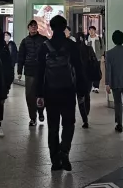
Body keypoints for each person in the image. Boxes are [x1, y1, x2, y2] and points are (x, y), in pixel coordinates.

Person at [36, 15, 87, 171]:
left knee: (53, 127)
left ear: (51, 27)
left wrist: (39, 94)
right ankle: (64, 151)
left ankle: (55, 161)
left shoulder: (44, 46)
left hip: (50, 92)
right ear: (65, 28)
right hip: (68, 91)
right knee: (68, 124)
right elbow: (79, 69)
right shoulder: (72, 45)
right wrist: (81, 91)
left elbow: (39, 72)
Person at [18, 20, 47, 126]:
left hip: (42, 70)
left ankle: (41, 112)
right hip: (29, 70)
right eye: (31, 26)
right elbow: (21, 56)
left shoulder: (44, 40)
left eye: (35, 26)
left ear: (37, 27)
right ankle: (32, 118)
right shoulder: (25, 41)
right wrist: (19, 71)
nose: (33, 27)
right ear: (28, 28)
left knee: (42, 94)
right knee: (30, 95)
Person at [74, 32, 98, 128]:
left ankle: (85, 119)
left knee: (80, 97)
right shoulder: (89, 48)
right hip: (88, 77)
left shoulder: (73, 49)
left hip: (77, 77)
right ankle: (86, 114)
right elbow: (94, 61)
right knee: (87, 96)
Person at [86, 26, 104, 92]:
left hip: (97, 57)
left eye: (92, 30)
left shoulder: (99, 38)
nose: (91, 31)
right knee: (90, 72)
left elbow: (103, 47)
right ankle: (92, 86)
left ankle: (96, 86)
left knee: (97, 72)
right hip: (89, 58)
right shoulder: (87, 39)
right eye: (90, 30)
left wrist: (101, 55)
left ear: (95, 31)